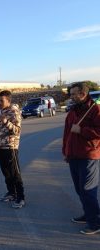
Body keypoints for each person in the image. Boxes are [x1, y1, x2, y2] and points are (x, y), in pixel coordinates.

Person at [63, 82, 100, 235]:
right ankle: (89, 214)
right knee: (79, 189)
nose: (70, 97)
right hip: (74, 156)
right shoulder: (72, 111)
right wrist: (66, 152)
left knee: (87, 190)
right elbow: (67, 134)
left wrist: (82, 130)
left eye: (73, 94)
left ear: (83, 94)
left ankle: (95, 223)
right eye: (70, 94)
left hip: (88, 156)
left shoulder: (95, 109)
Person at [0, 90, 25, 209]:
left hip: (11, 147)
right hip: (1, 147)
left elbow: (18, 130)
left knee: (14, 173)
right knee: (6, 173)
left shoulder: (14, 111)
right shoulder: (2, 111)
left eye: (1, 100)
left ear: (8, 100)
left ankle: (20, 197)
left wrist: (6, 122)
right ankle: (11, 193)